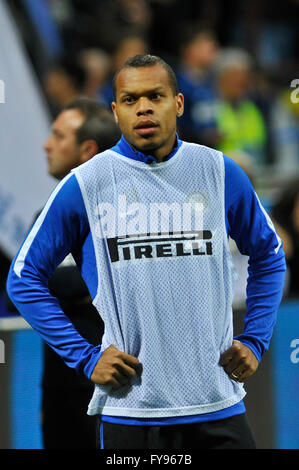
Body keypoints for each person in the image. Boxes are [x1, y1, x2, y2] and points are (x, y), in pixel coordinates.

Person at [7, 55, 286, 450]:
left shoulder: (219, 172)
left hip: (219, 406)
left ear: (178, 103)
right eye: (130, 99)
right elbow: (23, 278)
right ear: (115, 110)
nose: (143, 108)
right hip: (133, 413)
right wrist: (85, 358)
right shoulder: (85, 184)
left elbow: (270, 255)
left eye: (155, 95)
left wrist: (256, 339)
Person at [28, 97, 120, 449]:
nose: (46, 145)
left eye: (58, 136)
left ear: (87, 149)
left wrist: (75, 285)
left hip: (124, 384)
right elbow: (30, 282)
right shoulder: (48, 216)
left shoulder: (125, 215)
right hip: (62, 385)